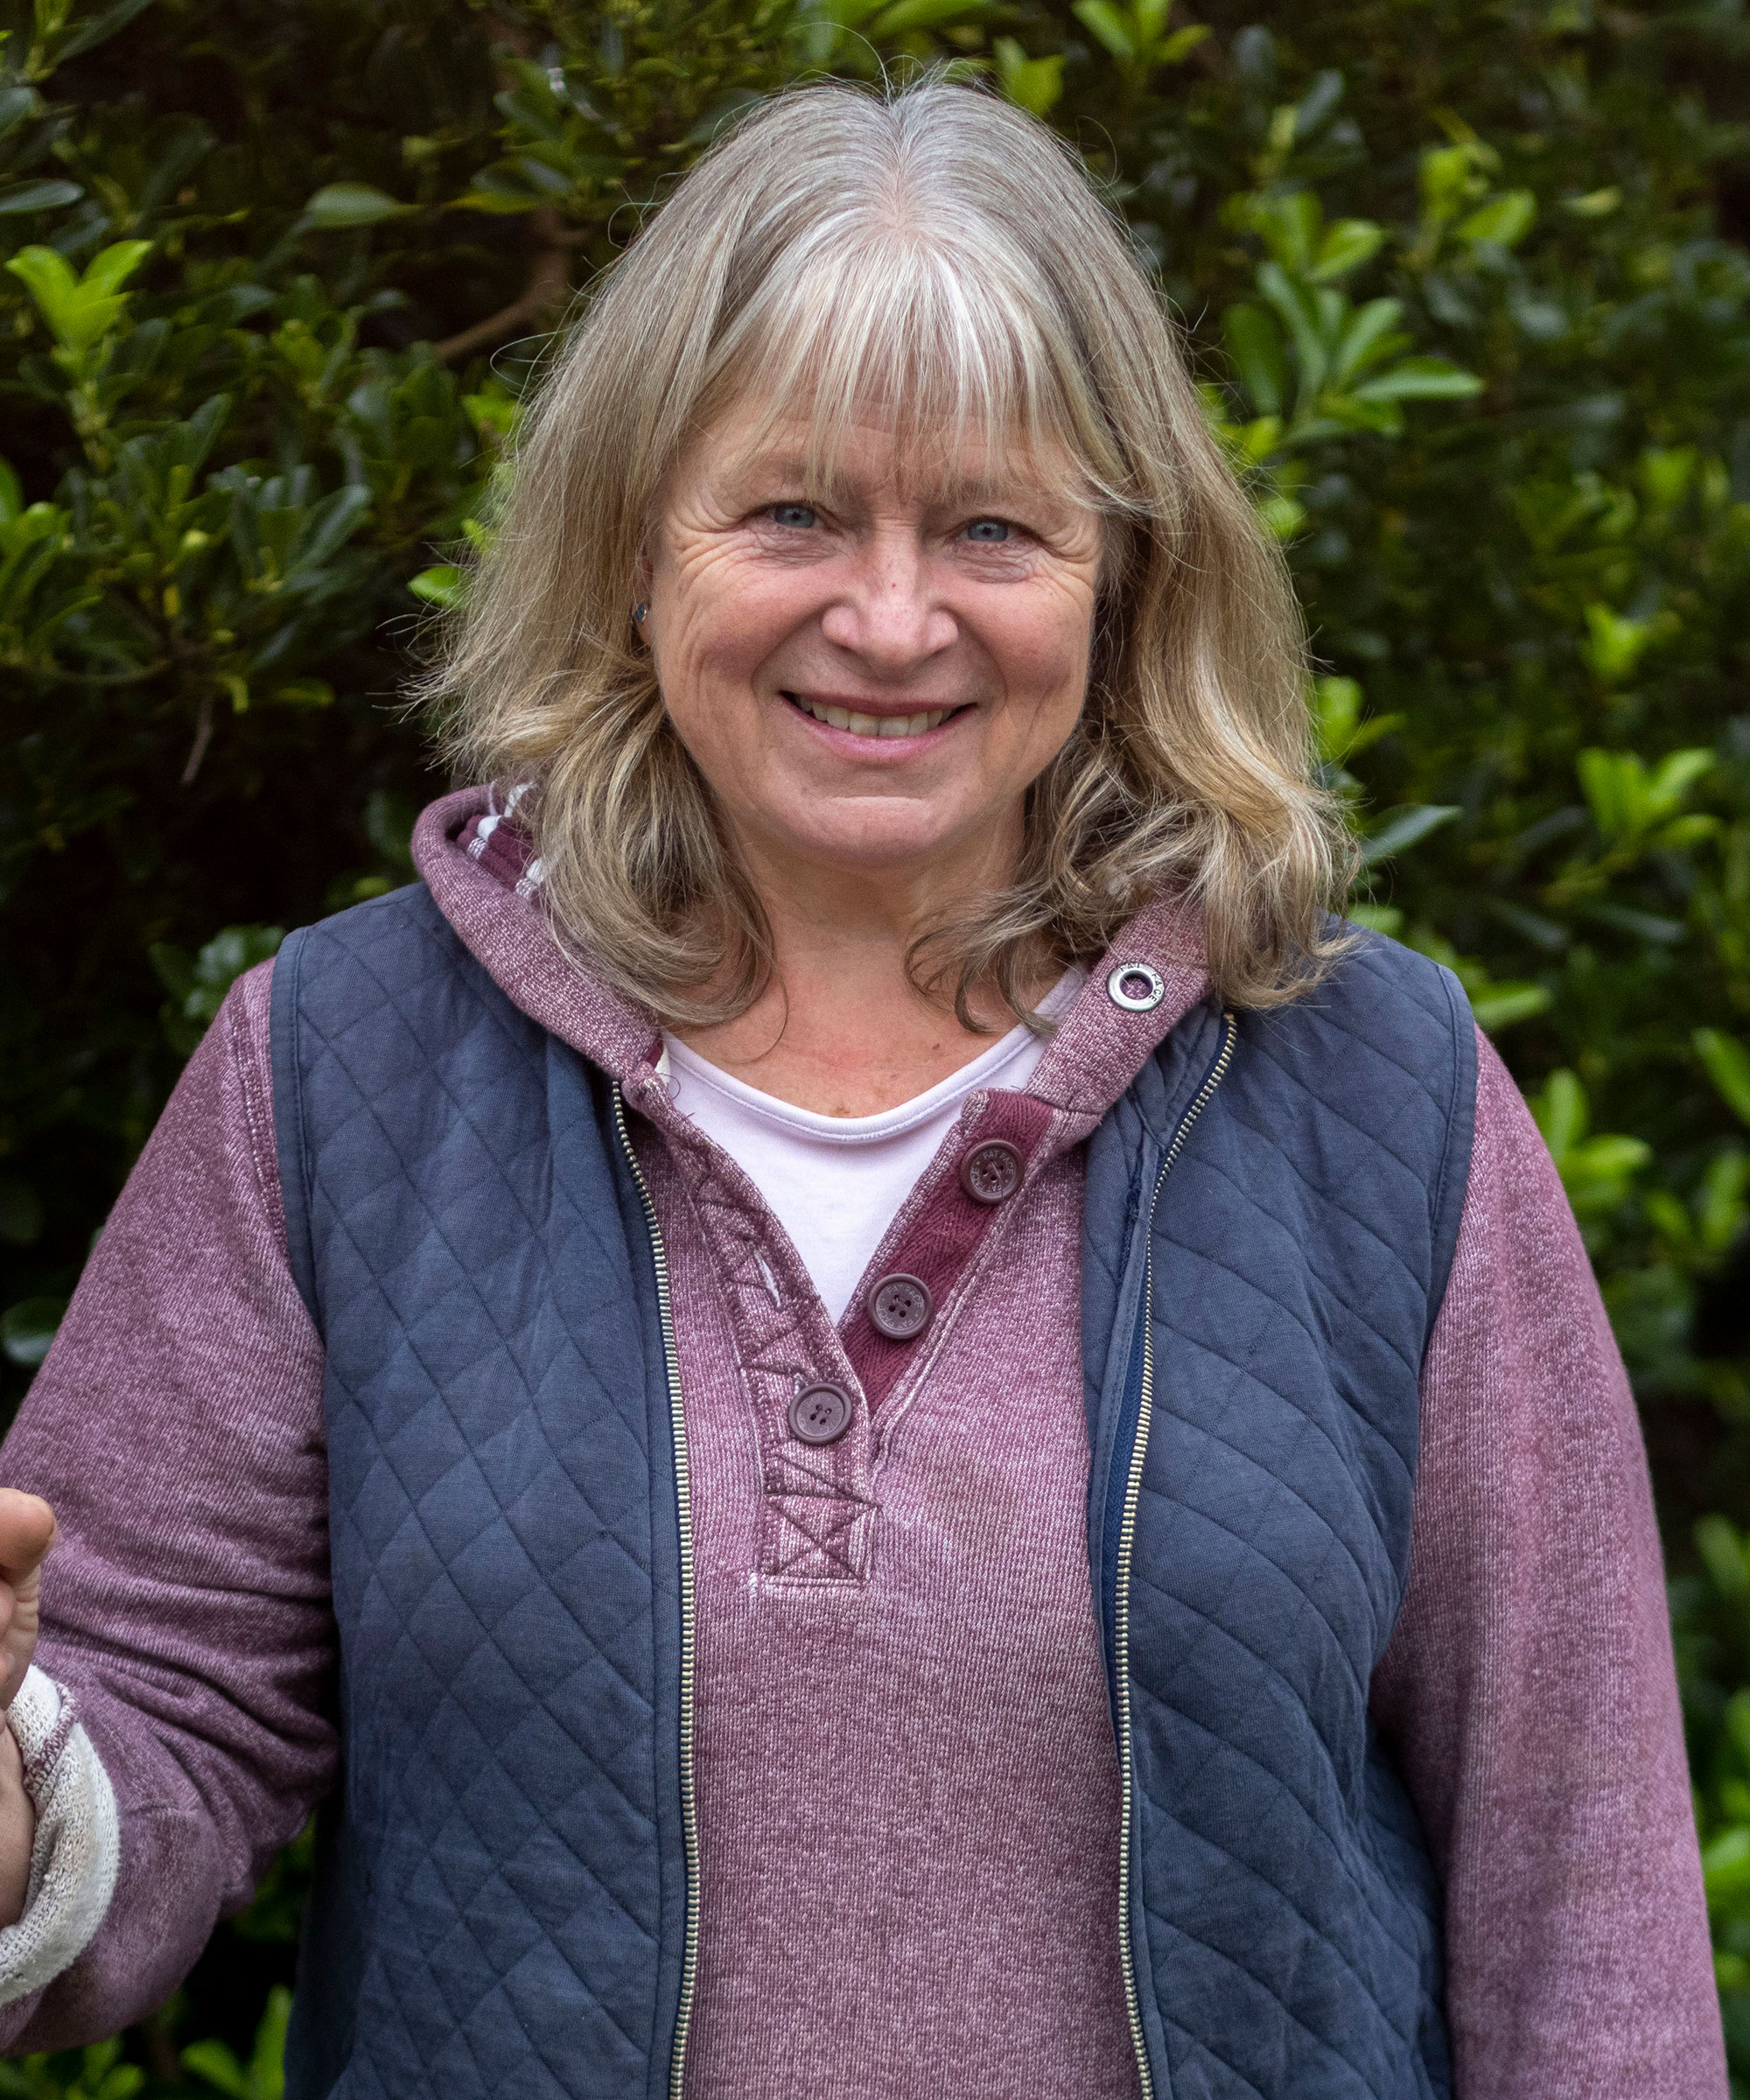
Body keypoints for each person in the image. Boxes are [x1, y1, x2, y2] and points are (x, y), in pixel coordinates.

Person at [0, 75, 1724, 2100]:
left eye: (990, 526)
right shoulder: (342, 1070)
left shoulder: (1375, 1095)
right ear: (634, 541)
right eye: (795, 511)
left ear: (1123, 579)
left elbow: (1579, 1892)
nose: (890, 619)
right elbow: (139, 1722)